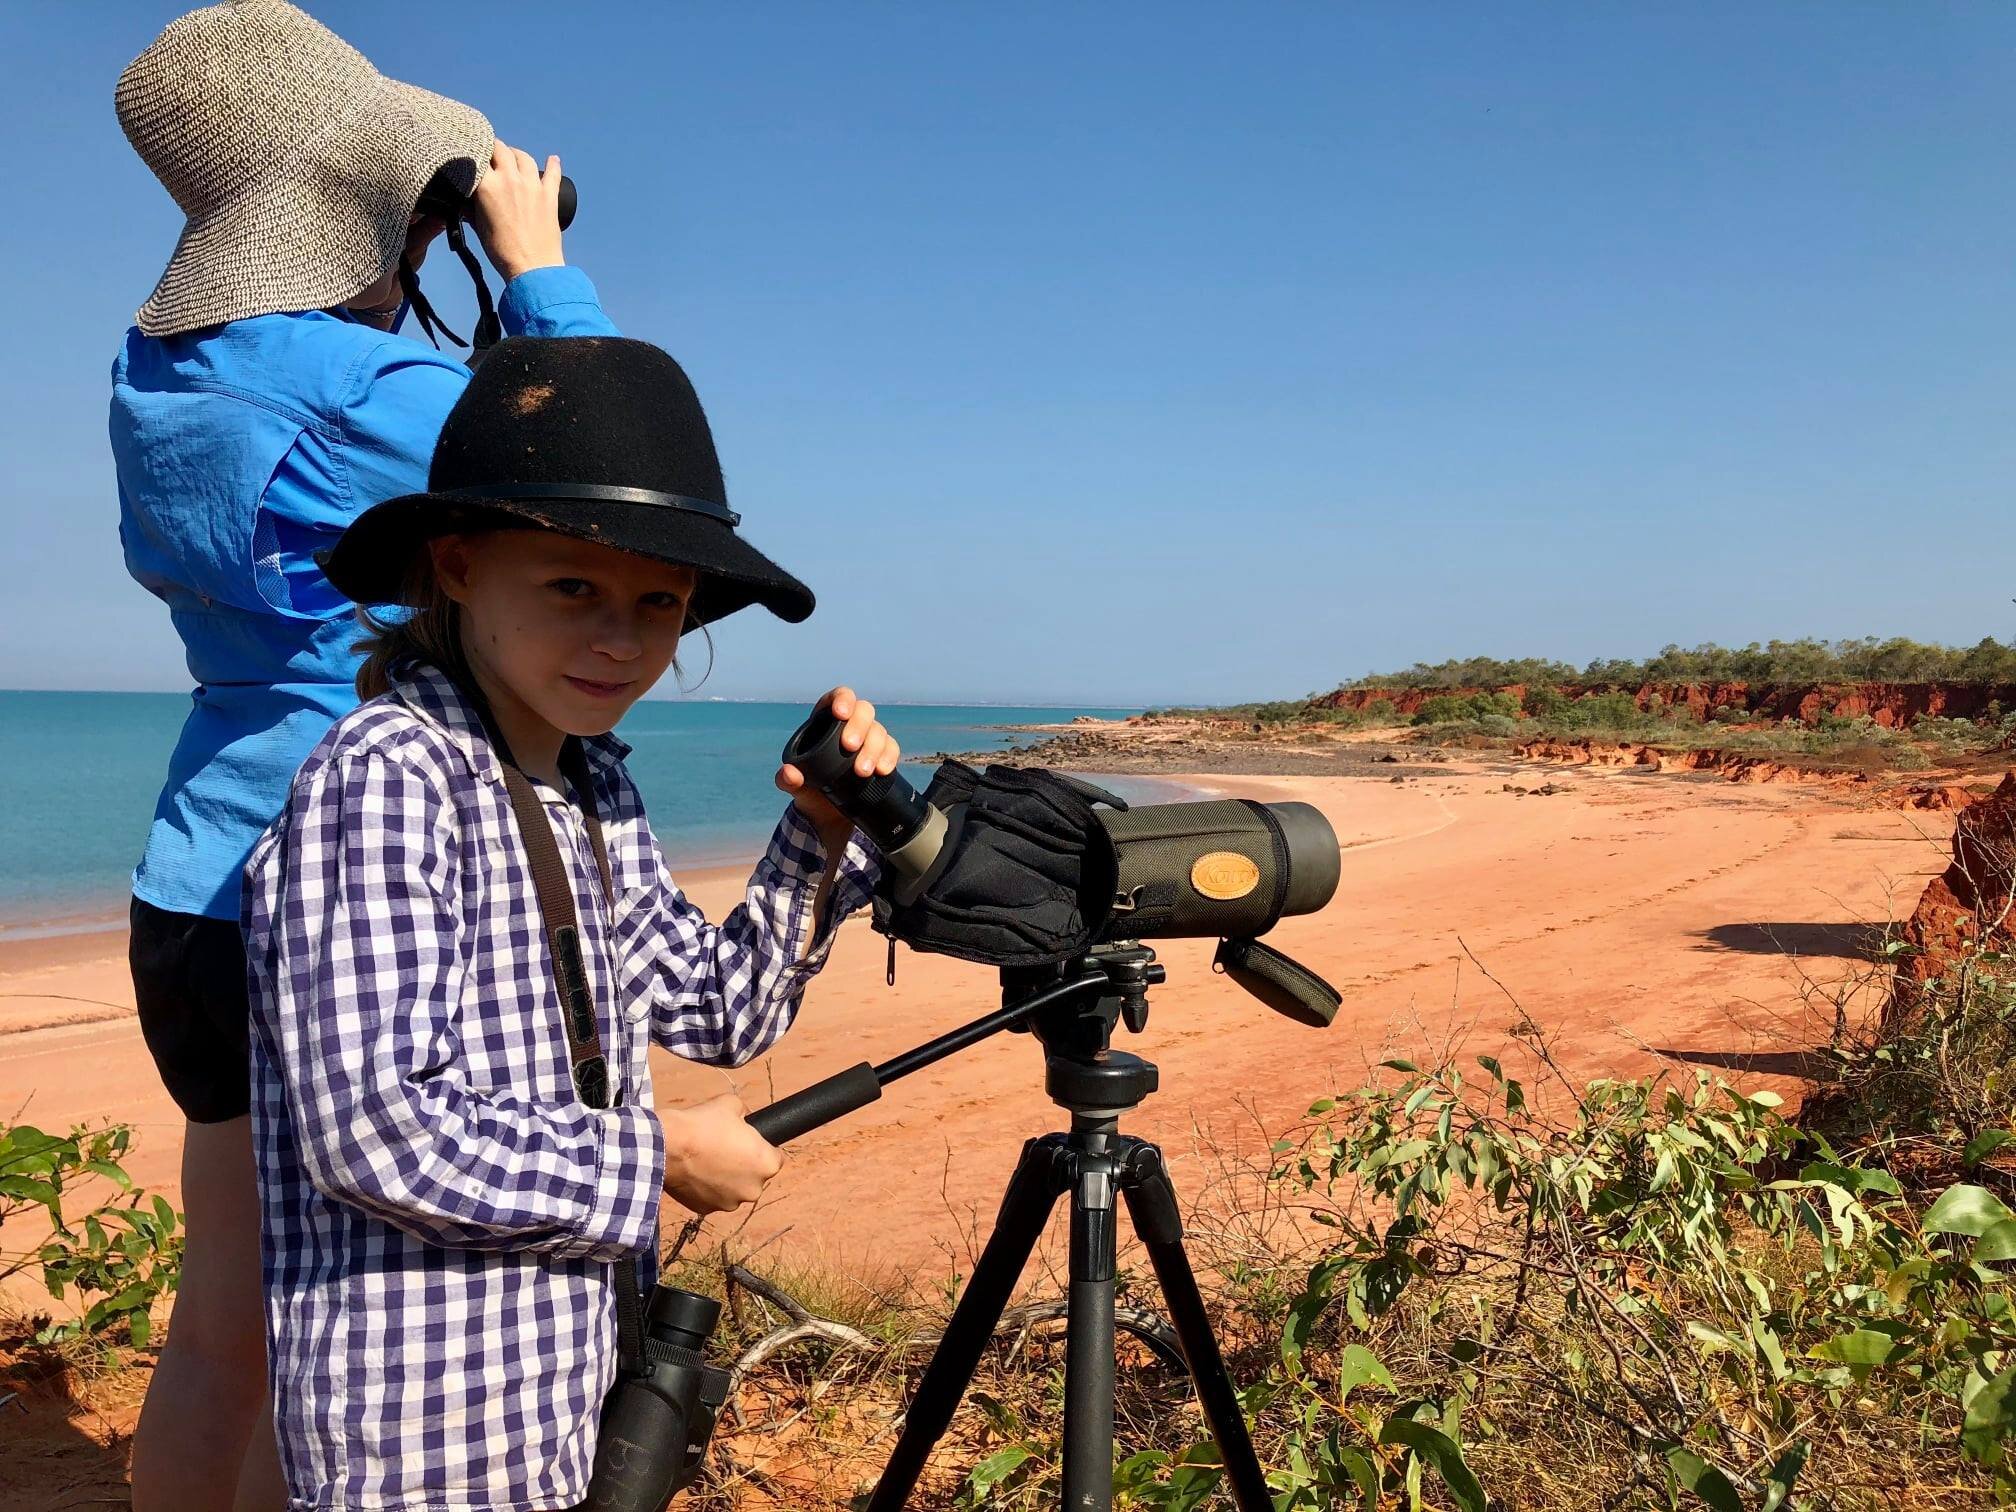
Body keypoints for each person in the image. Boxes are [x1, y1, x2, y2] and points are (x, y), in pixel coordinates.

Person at [109, 3, 618, 1505]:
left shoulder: (164, 375)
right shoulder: (368, 398)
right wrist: (535, 273)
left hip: (196, 878)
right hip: (345, 888)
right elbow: (598, 483)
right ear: (365, 205)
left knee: (224, 1331)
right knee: (337, 1348)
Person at [244, 334, 887, 1509]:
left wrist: (824, 831)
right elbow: (375, 1132)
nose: (622, 640)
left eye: (661, 604)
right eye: (573, 588)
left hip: (566, 1375)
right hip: (424, 1416)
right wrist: (658, 1157)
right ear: (455, 566)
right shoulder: (390, 774)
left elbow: (719, 1008)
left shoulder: (592, 784)